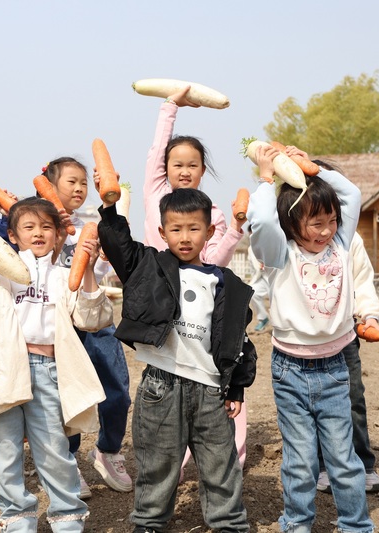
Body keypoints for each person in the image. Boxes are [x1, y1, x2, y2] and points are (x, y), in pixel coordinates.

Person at [97, 187, 256, 533]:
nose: (185, 237)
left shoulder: (224, 282)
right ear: (162, 232)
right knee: (157, 462)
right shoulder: (149, 267)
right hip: (161, 386)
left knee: (221, 464)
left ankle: (229, 523)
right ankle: (149, 522)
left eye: (194, 228)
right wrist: (109, 207)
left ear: (209, 231)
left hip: (211, 392)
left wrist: (236, 388)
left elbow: (237, 339)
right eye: (176, 229)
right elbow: (118, 244)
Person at [0, 197, 112, 532]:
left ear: (58, 234)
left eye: (46, 227)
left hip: (48, 369)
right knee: (2, 451)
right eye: (29, 227)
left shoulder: (64, 276)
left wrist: (87, 270)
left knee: (54, 451)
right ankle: (17, 521)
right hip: (2, 368)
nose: (38, 233)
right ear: (13, 236)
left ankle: (67, 520)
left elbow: (92, 319)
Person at [248, 145, 374, 533]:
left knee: (343, 457)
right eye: (316, 223)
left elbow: (351, 193)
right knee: (300, 459)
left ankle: (356, 525)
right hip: (291, 370)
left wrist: (312, 168)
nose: (326, 231)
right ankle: (297, 523)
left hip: (335, 367)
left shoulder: (340, 244)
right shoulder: (279, 253)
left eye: (332, 221)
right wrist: (266, 178)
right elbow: (263, 221)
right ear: (291, 223)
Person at [0, 158, 133, 498]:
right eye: (72, 182)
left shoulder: (92, 224)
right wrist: (53, 231)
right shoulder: (43, 227)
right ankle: (68, 461)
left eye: (84, 182)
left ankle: (108, 449)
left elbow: (107, 265)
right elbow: (22, 263)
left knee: (116, 387)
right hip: (59, 325)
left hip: (92, 314)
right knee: (65, 396)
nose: (79, 188)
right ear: (50, 186)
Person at [141, 84, 248, 474]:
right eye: (177, 164)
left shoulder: (212, 213)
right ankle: (175, 456)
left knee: (215, 370)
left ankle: (229, 457)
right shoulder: (155, 194)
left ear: (203, 170)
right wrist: (170, 106)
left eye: (192, 165)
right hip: (161, 301)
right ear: (165, 169)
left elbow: (213, 261)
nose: (184, 170)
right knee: (167, 374)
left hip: (201, 303)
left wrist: (233, 230)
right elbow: (157, 149)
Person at [316, 232, 379, 495]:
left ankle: (363, 464)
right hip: (307, 335)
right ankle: (323, 465)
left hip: (345, 332)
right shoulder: (294, 231)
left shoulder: (349, 236)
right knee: (315, 400)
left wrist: (370, 315)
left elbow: (362, 279)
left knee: (353, 396)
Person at [247, 234, 270, 332]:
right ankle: (263, 318)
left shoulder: (272, 243)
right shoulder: (251, 249)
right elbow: (254, 267)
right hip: (262, 278)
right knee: (253, 292)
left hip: (277, 278)